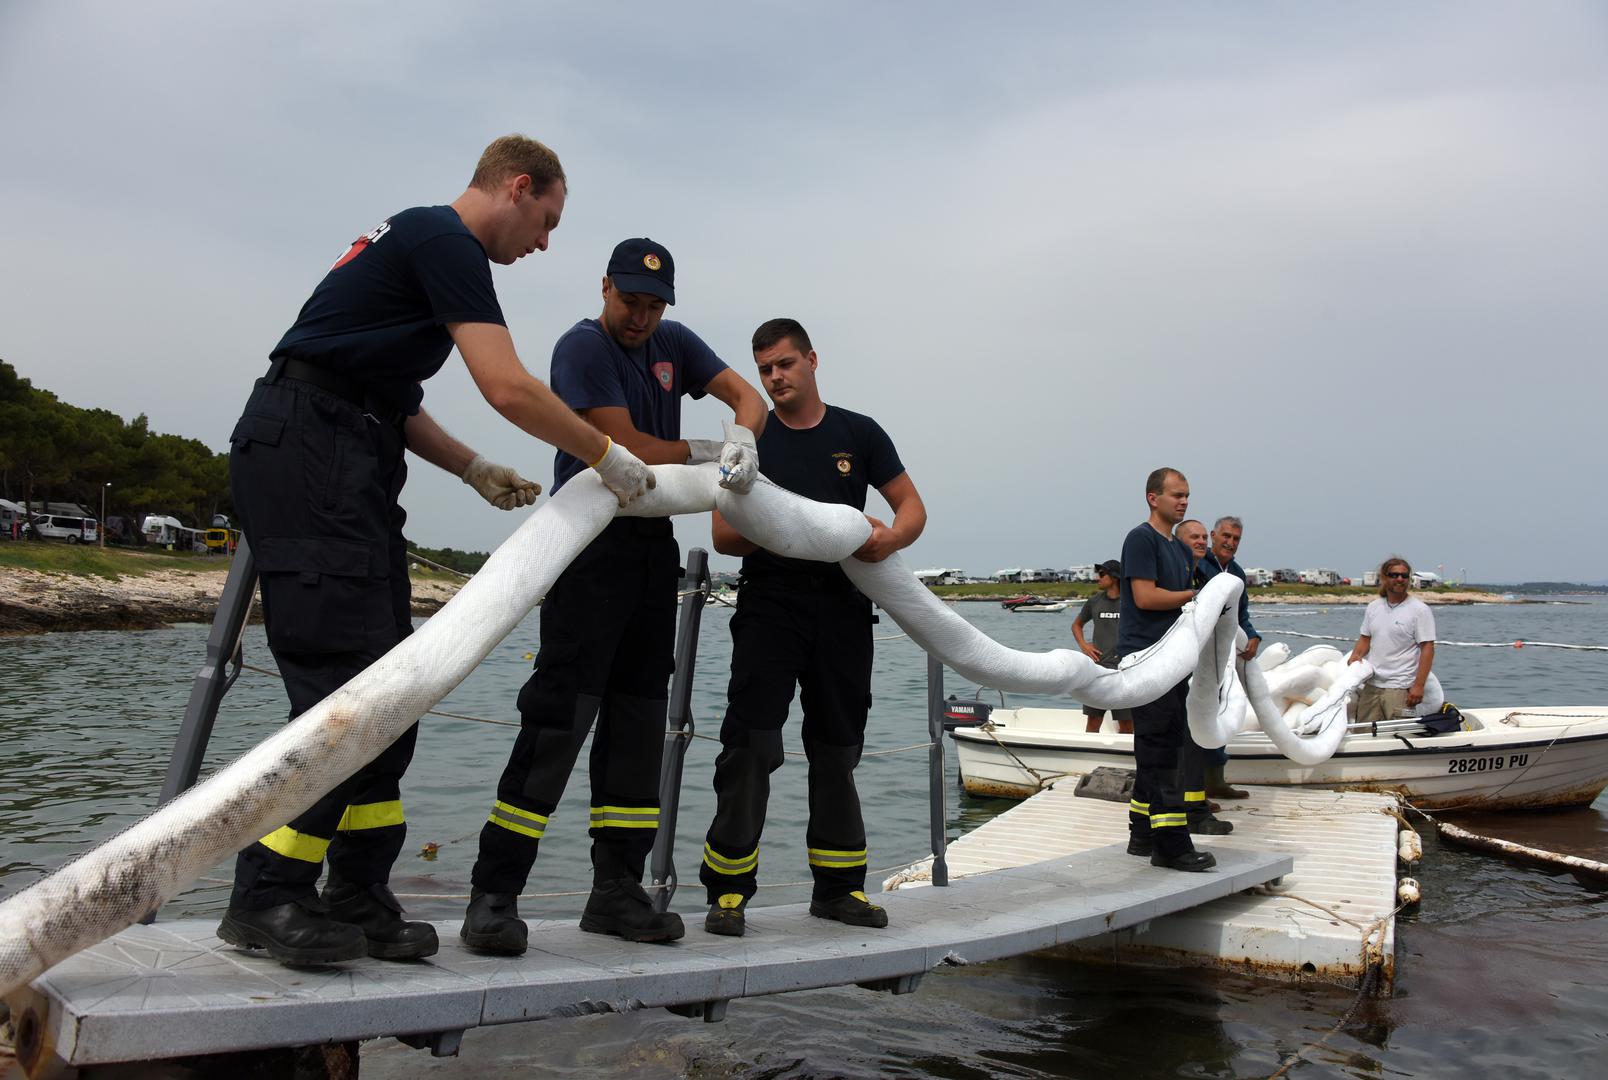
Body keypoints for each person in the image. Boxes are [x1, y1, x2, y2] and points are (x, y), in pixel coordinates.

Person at [219, 135, 654, 968]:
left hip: (353, 451)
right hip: (309, 453)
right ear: (518, 188)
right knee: (342, 687)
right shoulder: (446, 241)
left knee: (396, 690)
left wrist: (471, 468)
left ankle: (356, 889)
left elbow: (385, 395)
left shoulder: (415, 245)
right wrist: (606, 455)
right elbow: (508, 384)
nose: (545, 243)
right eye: (548, 221)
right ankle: (266, 895)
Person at [463, 238, 766, 954]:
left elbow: (744, 395)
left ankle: (617, 892)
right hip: (587, 546)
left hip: (649, 551)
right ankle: (494, 894)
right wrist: (707, 451)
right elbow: (625, 442)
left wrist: (746, 435)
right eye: (631, 300)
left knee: (636, 722)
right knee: (558, 718)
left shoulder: (673, 341)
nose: (642, 315)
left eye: (655, 304)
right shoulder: (581, 349)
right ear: (605, 288)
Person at [698, 318, 926, 937]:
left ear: (812, 361)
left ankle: (838, 889)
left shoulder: (859, 432)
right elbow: (722, 535)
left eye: (785, 365)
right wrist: (798, 526)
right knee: (750, 747)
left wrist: (888, 537)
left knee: (837, 750)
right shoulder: (750, 440)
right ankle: (727, 893)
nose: (774, 378)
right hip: (770, 608)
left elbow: (911, 508)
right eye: (765, 368)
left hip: (844, 610)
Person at [1119, 468, 1216, 871]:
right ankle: (1171, 845)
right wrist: (1196, 597)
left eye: (1188, 496)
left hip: (1173, 661)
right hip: (1146, 659)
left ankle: (1142, 833)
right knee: (1162, 751)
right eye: (1177, 495)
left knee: (1161, 745)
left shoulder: (1178, 549)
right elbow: (1145, 596)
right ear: (1152, 498)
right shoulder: (1140, 539)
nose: (1184, 502)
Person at [1170, 518, 1234, 834]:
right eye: (1192, 537)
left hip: (1197, 670)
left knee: (1193, 741)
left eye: (1201, 538)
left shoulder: (1206, 574)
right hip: (1172, 671)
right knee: (1177, 743)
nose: (1200, 542)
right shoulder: (1172, 575)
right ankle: (1188, 812)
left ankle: (1194, 808)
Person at [1196, 516, 1262, 799]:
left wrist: (1252, 635)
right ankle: (1195, 788)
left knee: (1220, 713)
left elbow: (1241, 614)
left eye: (1236, 539)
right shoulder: (1198, 564)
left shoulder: (1236, 572)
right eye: (1226, 536)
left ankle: (1215, 781)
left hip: (1223, 656)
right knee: (1197, 716)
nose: (1230, 543)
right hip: (1197, 654)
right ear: (1213, 535)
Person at [1347, 557, 1436, 724]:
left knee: (1398, 737)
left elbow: (1428, 648)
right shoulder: (1374, 607)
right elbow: (1365, 638)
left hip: (1400, 688)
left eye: (1404, 576)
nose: (1400, 579)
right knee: (1363, 734)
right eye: (1394, 575)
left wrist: (1418, 686)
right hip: (1372, 686)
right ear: (1384, 577)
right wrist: (1355, 656)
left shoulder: (1420, 610)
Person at [1072, 560, 1132, 734]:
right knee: (1093, 720)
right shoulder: (1094, 601)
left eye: (1102, 574)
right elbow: (1076, 625)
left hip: (1124, 671)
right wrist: (1084, 646)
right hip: (1097, 670)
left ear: (1114, 577)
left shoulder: (1131, 601)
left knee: (1127, 724)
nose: (1098, 578)